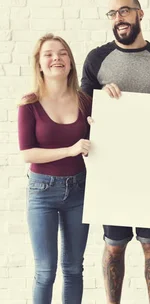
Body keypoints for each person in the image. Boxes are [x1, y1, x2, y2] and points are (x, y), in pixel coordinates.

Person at [80, 0, 150, 304]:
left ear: (140, 14)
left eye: (125, 11)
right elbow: (84, 112)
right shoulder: (97, 59)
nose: (119, 18)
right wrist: (98, 105)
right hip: (112, 170)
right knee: (114, 245)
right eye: (112, 13)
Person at [17, 33, 92, 304]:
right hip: (42, 192)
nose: (56, 58)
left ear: (70, 63)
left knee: (73, 269)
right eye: (48, 54)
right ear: (39, 63)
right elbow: (27, 153)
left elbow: (104, 140)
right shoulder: (30, 104)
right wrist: (70, 150)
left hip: (79, 191)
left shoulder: (85, 101)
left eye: (62, 53)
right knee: (45, 271)